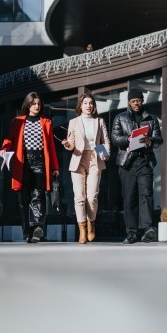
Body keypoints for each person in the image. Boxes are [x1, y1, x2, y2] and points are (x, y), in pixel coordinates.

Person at [0, 92, 60, 243]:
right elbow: (9, 139)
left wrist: (54, 166)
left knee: (37, 195)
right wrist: (4, 149)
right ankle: (27, 232)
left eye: (39, 104)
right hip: (23, 162)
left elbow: (51, 146)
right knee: (23, 198)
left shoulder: (46, 122)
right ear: (27, 105)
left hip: (40, 161)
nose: (37, 107)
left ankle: (37, 228)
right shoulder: (17, 121)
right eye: (33, 104)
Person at [111, 88, 163, 244]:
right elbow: (114, 138)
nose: (136, 104)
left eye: (139, 101)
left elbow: (159, 139)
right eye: (133, 101)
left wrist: (150, 141)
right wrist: (129, 139)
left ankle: (148, 229)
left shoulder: (151, 119)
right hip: (127, 163)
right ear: (129, 102)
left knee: (146, 194)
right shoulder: (120, 118)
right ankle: (132, 232)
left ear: (143, 101)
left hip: (144, 161)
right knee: (129, 198)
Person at [61, 93, 110, 244]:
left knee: (92, 197)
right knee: (79, 197)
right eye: (85, 103)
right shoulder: (74, 122)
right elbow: (71, 143)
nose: (89, 106)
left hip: (95, 159)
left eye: (91, 103)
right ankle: (82, 229)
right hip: (78, 159)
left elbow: (105, 141)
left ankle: (91, 223)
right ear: (80, 106)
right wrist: (67, 144)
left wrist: (104, 154)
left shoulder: (99, 121)